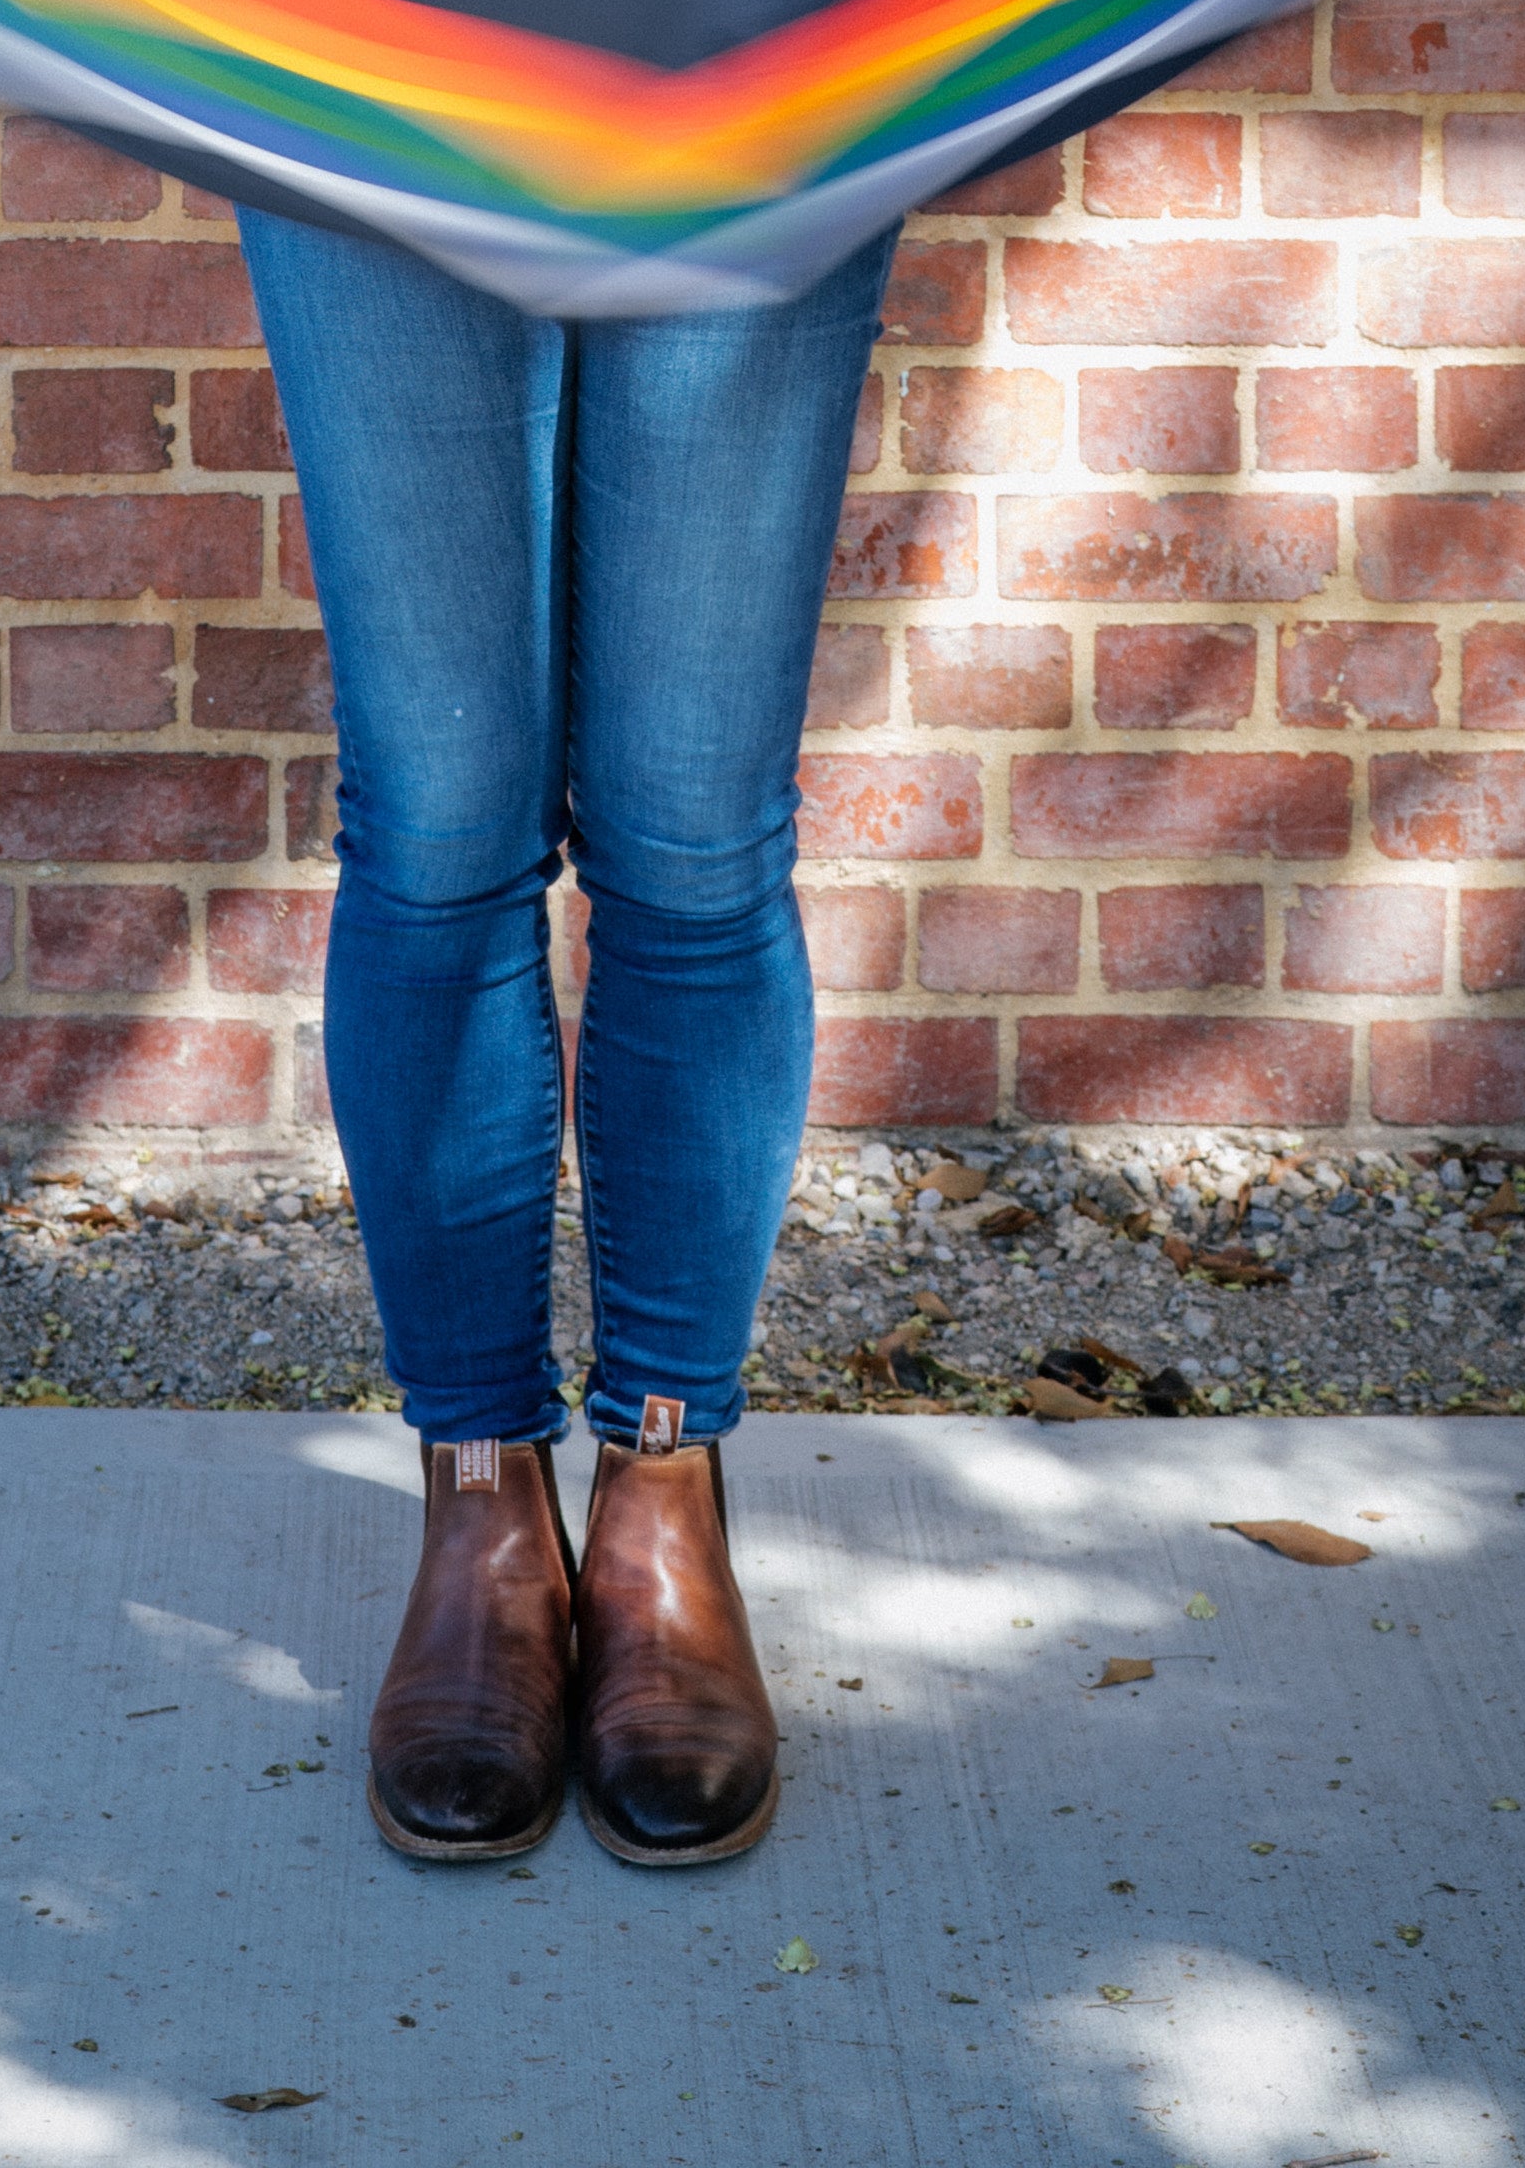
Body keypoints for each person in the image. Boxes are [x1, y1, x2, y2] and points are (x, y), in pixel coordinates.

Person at [239, 201, 901, 1869]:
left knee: (694, 833)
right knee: (440, 829)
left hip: (754, 81)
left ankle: (664, 1483)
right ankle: (482, 1490)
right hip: (381, 82)